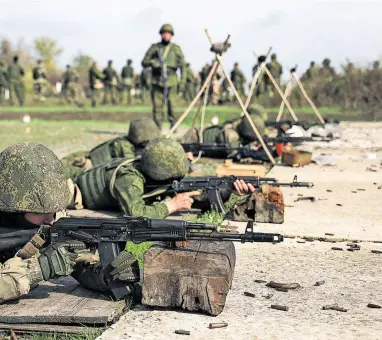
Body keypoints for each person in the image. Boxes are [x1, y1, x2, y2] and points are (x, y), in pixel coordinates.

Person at [0, 142, 139, 302]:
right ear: (10, 209)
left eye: (52, 211)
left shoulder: (53, 219)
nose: (51, 220)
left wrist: (106, 276)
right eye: (40, 212)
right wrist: (39, 269)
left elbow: (80, 264)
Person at [70, 138, 255, 218]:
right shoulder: (129, 178)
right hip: (75, 195)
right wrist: (171, 205)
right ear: (159, 175)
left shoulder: (152, 176)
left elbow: (188, 194)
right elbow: (135, 214)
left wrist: (227, 189)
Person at [61, 117, 161, 181]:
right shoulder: (123, 145)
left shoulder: (132, 143)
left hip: (89, 160)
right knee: (61, 171)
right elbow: (131, 164)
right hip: (88, 163)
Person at [142, 24, 187, 129]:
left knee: (173, 105)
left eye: (168, 34)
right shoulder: (154, 48)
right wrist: (153, 62)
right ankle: (158, 127)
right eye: (164, 33)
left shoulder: (176, 49)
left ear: (171, 35)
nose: (166, 36)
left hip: (172, 79)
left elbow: (183, 66)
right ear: (161, 34)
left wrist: (182, 81)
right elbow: (144, 62)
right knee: (157, 106)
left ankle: (174, 127)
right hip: (157, 80)